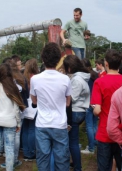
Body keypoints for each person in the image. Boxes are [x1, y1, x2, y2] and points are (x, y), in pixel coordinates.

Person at [30, 42, 71, 171]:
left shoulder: (35, 79)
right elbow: (68, 103)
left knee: (43, 159)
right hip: (59, 123)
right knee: (62, 159)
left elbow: (34, 101)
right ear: (59, 59)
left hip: (42, 123)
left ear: (43, 58)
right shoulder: (65, 79)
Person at [0, 63, 26, 171]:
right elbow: (16, 109)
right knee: (9, 148)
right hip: (9, 121)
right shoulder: (12, 88)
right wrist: (18, 123)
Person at [91, 49, 122, 171]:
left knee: (104, 167)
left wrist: (94, 109)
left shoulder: (99, 82)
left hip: (105, 132)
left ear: (106, 63)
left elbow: (97, 110)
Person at [63, 55, 90, 171]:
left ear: (69, 67)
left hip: (75, 112)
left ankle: (77, 167)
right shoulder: (81, 77)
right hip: (80, 111)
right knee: (74, 141)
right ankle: (75, 164)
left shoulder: (76, 80)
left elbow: (71, 98)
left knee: (72, 142)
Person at [22, 58, 39, 161]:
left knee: (25, 129)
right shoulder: (36, 78)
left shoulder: (23, 78)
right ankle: (32, 152)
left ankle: (26, 151)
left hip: (24, 105)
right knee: (32, 129)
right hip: (33, 105)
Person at [81, 58, 99, 155]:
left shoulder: (85, 77)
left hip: (88, 102)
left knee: (89, 126)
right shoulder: (95, 74)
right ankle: (95, 144)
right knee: (94, 124)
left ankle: (91, 147)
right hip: (96, 103)